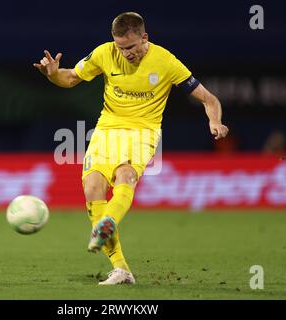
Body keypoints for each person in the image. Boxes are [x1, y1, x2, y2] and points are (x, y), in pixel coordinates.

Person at [33, 12, 229, 285]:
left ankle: (107, 223)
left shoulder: (166, 61)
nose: (125, 53)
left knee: (126, 175)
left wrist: (215, 121)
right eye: (120, 47)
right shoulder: (104, 53)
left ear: (144, 38)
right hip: (107, 129)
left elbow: (208, 99)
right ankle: (121, 269)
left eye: (131, 47)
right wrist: (53, 75)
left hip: (143, 131)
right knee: (92, 188)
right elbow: (70, 79)